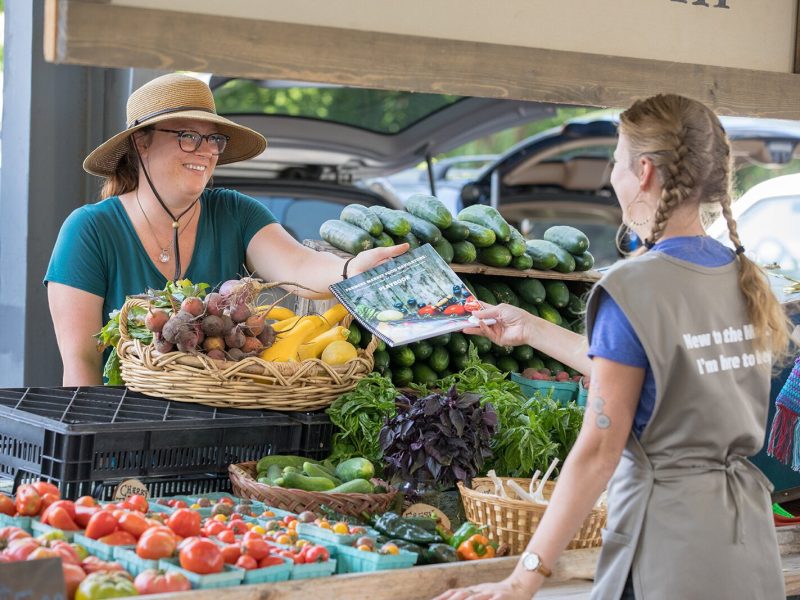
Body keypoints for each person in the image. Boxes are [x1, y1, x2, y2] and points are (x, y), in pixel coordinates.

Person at [435, 94, 791, 600]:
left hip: (666, 552)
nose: (613, 175)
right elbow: (652, 378)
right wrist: (532, 328)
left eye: (616, 161)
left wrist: (524, 576)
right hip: (746, 546)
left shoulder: (635, 286)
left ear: (643, 171)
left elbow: (599, 449)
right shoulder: (743, 276)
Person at [45, 73, 406, 385]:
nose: (205, 151)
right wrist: (94, 452)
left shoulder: (235, 211)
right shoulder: (89, 230)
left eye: (213, 139)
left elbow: (298, 267)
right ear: (142, 142)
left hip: (214, 434)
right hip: (122, 441)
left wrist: (350, 270)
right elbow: (81, 362)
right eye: (188, 136)